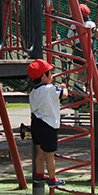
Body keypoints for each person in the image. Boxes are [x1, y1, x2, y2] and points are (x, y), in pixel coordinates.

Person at [28, 58, 68, 187]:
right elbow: (64, 95)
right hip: (48, 125)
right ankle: (52, 179)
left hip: (36, 124)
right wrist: (64, 88)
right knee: (50, 155)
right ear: (44, 77)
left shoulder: (33, 92)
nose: (52, 75)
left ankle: (39, 174)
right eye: (50, 73)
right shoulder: (50, 89)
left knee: (40, 152)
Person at [60, 3, 98, 92]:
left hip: (77, 49)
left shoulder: (73, 25)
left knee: (80, 70)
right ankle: (79, 84)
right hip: (86, 48)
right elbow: (96, 31)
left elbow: (68, 39)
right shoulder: (90, 23)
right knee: (91, 71)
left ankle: (79, 88)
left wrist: (72, 45)